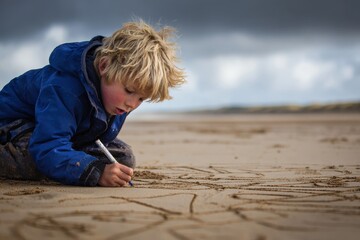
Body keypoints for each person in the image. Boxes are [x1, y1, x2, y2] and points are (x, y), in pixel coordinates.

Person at [0, 20, 186, 187]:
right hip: (14, 122)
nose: (131, 104)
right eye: (129, 91)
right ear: (104, 66)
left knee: (123, 158)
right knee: (35, 163)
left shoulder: (115, 95)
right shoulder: (65, 89)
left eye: (141, 99)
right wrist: (95, 172)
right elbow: (47, 144)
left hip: (63, 131)